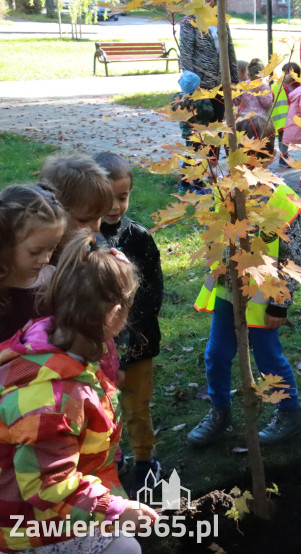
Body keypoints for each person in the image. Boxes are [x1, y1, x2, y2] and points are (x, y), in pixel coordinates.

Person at [0, 232, 158, 553]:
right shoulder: (55, 396)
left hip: (33, 506)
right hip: (23, 527)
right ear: (114, 316)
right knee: (127, 550)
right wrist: (115, 511)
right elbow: (48, 488)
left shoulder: (52, 348)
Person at [188, 115, 301, 447]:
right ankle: (219, 411)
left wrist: (280, 303)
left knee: (268, 357)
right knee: (216, 354)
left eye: (252, 155)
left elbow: (291, 256)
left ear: (267, 155)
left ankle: (289, 412)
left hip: (262, 298)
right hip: (228, 290)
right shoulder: (225, 191)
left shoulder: (281, 199)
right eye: (234, 155)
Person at [94, 152, 166, 497]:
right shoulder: (83, 240)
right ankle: (110, 458)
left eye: (122, 197)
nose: (115, 206)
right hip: (97, 345)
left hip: (137, 340)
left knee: (137, 403)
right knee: (103, 404)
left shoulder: (138, 238)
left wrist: (131, 328)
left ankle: (144, 459)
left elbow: (153, 290)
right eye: (107, 198)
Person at [0, 185, 65, 342]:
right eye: (35, 252)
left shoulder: (54, 276)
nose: (46, 259)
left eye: (52, 248)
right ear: (5, 245)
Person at [179, 0, 238, 124]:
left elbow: (230, 50)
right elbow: (186, 55)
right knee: (202, 126)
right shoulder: (189, 22)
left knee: (218, 124)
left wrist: (234, 79)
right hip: (201, 84)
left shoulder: (221, 21)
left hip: (221, 82)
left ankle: (216, 148)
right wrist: (192, 86)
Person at [39, 155, 114, 250]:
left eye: (99, 218)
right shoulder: (33, 256)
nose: (96, 229)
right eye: (84, 220)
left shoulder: (94, 247)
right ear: (49, 212)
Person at [270, 61, 301, 162]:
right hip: (282, 120)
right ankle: (283, 157)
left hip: (293, 118)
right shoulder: (277, 87)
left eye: (287, 73)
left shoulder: (299, 87)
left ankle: (284, 156)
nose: (284, 76)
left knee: (287, 139)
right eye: (283, 73)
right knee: (283, 139)